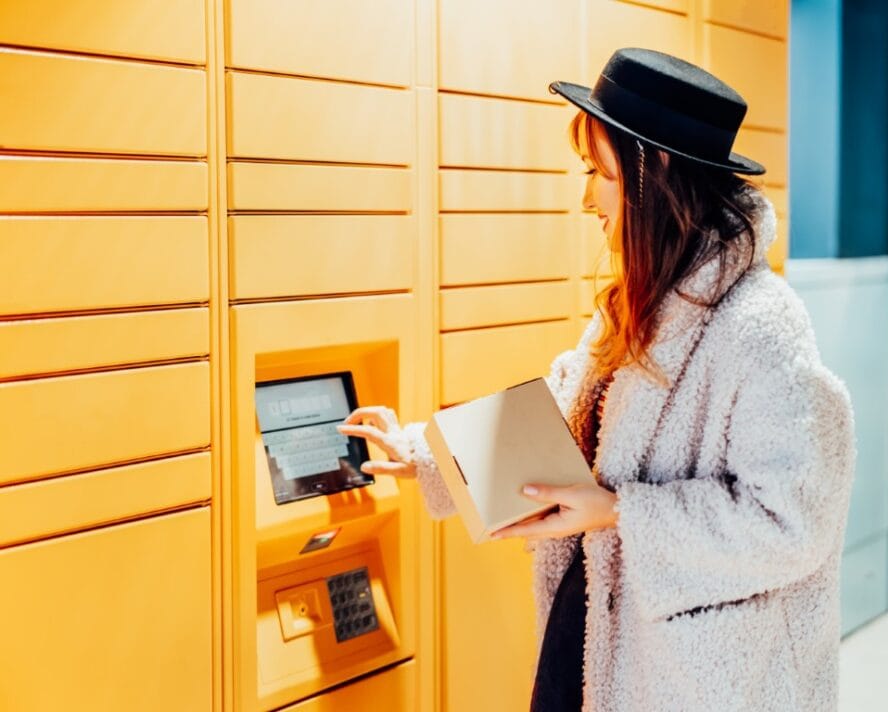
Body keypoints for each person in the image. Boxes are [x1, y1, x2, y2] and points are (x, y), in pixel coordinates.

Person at [338, 48, 856, 712]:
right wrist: (421, 451)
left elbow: (791, 523)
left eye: (597, 172)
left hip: (691, 680)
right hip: (591, 639)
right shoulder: (636, 305)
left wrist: (620, 514)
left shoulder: (760, 325)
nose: (586, 200)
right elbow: (559, 421)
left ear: (652, 172)